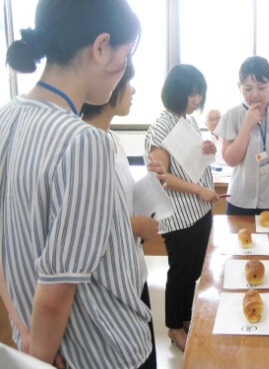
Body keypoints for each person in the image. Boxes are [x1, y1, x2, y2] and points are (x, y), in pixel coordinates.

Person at [0, 1, 153, 368]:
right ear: (100, 48)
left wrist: (22, 328)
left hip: (30, 338)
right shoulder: (84, 141)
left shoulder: (6, 118)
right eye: (125, 53)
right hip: (104, 353)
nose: (123, 72)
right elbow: (57, 291)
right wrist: (41, 359)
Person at [81, 59, 165, 369]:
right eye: (128, 82)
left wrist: (150, 182)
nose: (133, 90)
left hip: (133, 271)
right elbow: (82, 227)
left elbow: (118, 201)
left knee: (146, 353)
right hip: (107, 288)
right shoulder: (82, 147)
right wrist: (131, 225)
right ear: (108, 87)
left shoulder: (113, 140)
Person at [144, 64, 218, 352]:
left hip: (199, 210)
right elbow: (162, 177)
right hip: (179, 216)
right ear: (176, 93)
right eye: (191, 94)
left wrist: (207, 147)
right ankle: (175, 327)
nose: (196, 100)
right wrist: (200, 190)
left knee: (192, 271)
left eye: (199, 94)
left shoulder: (186, 120)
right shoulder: (161, 126)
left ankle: (186, 318)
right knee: (181, 272)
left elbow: (191, 160)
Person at [214, 56, 269, 216]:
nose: (255, 95)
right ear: (239, 86)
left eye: (261, 88)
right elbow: (231, 160)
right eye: (248, 89)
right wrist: (246, 126)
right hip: (239, 201)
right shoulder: (232, 115)